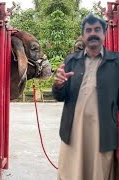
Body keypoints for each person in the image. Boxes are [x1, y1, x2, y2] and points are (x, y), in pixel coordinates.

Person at [52, 13, 119, 180]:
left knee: (100, 173)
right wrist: (58, 85)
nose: (93, 33)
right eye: (88, 30)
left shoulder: (116, 62)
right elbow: (60, 96)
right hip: (74, 132)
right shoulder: (71, 61)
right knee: (72, 173)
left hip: (103, 133)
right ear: (83, 36)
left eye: (97, 29)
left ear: (104, 33)